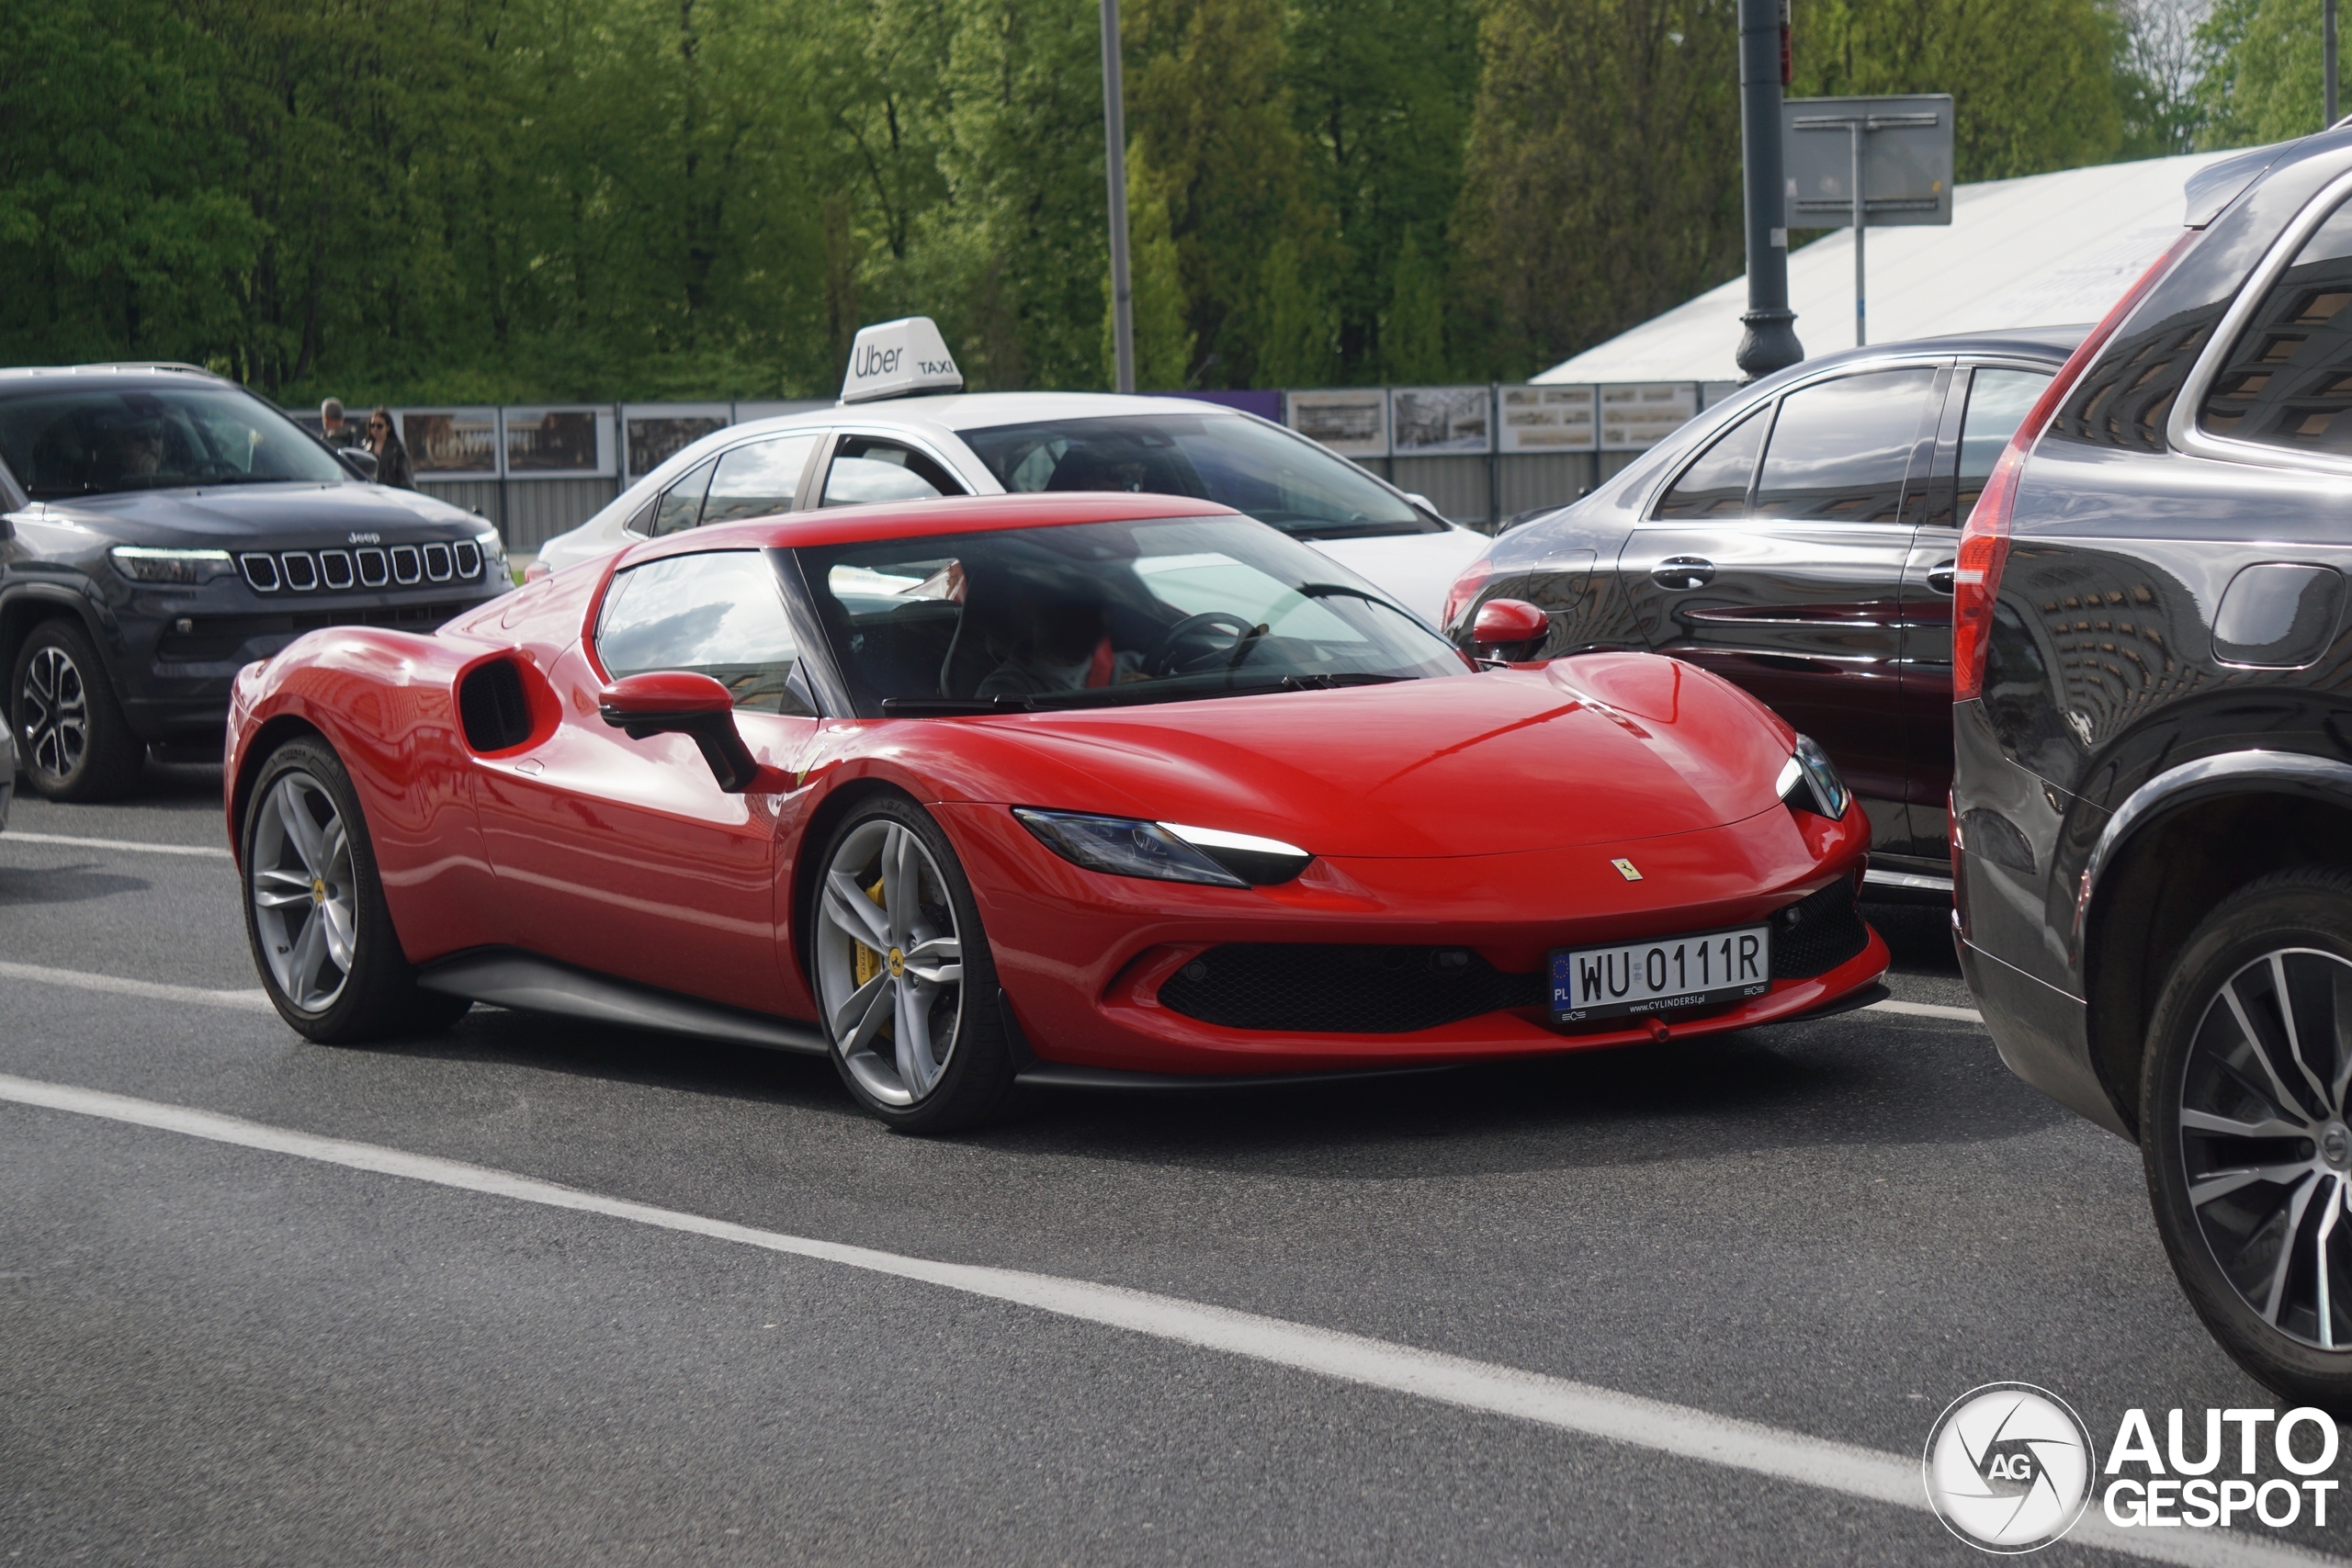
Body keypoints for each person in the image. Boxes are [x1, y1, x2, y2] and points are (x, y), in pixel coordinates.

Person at [366, 406, 413, 489]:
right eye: (372, 425)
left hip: (391, 493)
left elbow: (406, 479)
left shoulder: (397, 449)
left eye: (379, 426)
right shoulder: (366, 448)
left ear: (388, 428)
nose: (375, 429)